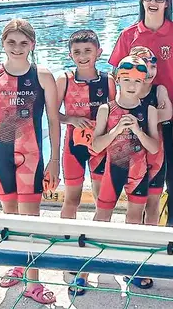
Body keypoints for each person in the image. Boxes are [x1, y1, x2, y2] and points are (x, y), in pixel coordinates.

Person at [0, 19, 60, 305]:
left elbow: (53, 121)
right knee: (9, 214)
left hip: (32, 156)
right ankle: (18, 264)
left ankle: (33, 282)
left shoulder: (43, 76)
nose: (17, 48)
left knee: (30, 219)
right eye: (11, 42)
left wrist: (55, 161)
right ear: (2, 43)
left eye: (23, 43)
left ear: (32, 44)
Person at [110, 0, 173, 228]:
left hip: (169, 115)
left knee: (170, 173)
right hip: (135, 116)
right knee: (140, 173)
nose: (153, 2)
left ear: (167, 2)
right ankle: (142, 228)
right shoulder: (128, 35)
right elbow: (116, 78)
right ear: (142, 0)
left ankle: (171, 230)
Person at [91, 55, 160, 290]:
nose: (132, 85)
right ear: (118, 79)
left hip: (139, 172)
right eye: (127, 79)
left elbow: (154, 147)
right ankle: (92, 264)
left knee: (134, 221)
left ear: (143, 83)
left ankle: (132, 267)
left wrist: (139, 132)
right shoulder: (106, 109)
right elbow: (96, 145)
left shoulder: (148, 110)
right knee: (102, 217)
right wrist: (116, 129)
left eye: (137, 81)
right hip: (112, 170)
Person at [56, 30, 115, 217]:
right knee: (72, 199)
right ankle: (65, 239)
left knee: (102, 200)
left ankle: (97, 238)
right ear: (70, 55)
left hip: (101, 147)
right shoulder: (64, 80)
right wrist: (71, 119)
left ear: (99, 51)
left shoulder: (108, 80)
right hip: (74, 146)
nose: (82, 56)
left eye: (87, 50)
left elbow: (116, 112)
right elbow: (52, 114)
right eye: (77, 52)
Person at [128, 46, 172, 226]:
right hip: (132, 155)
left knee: (153, 204)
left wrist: (139, 120)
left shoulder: (159, 90)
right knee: (134, 206)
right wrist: (154, 115)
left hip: (156, 155)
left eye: (153, 67)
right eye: (145, 67)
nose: (150, 72)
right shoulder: (127, 90)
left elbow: (168, 113)